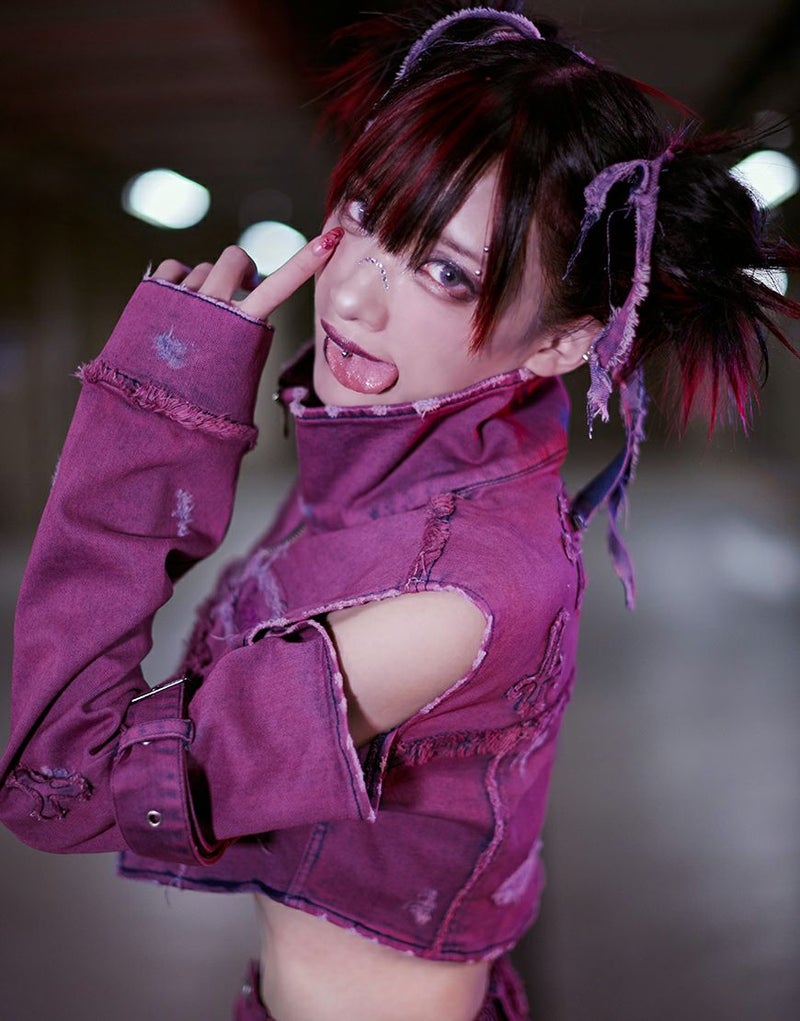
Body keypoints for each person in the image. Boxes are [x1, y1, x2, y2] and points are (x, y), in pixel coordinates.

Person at [1, 4, 798, 1019]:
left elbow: (57, 784)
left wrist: (157, 417)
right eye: (369, 215)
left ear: (561, 343)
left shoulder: (453, 598)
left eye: (445, 271)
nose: (352, 297)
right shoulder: (392, 466)